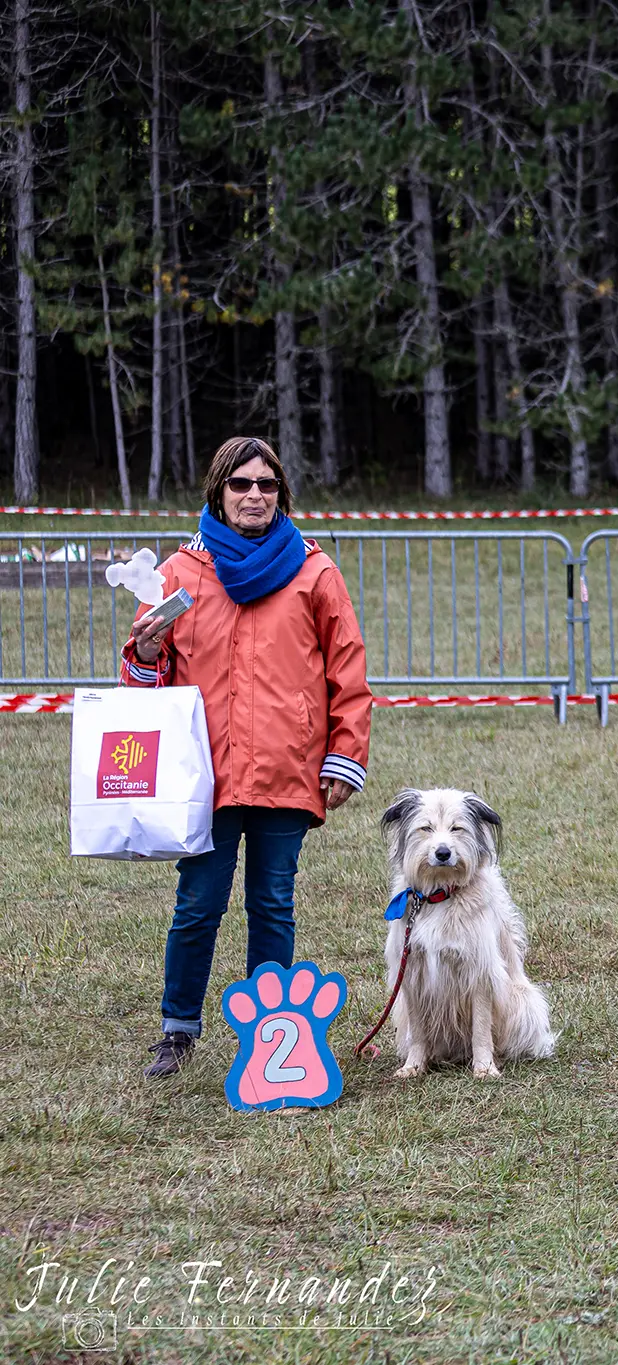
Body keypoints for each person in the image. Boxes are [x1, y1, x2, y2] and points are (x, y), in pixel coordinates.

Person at [122, 436, 372, 1078]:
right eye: (241, 484)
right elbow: (142, 682)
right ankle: (177, 1030)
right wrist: (146, 654)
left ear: (280, 494)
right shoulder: (180, 574)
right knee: (198, 904)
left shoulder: (315, 572)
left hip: (288, 766)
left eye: (266, 485)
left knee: (272, 902)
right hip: (203, 773)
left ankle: (269, 1035)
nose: (254, 495)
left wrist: (344, 751)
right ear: (218, 492)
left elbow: (347, 668)